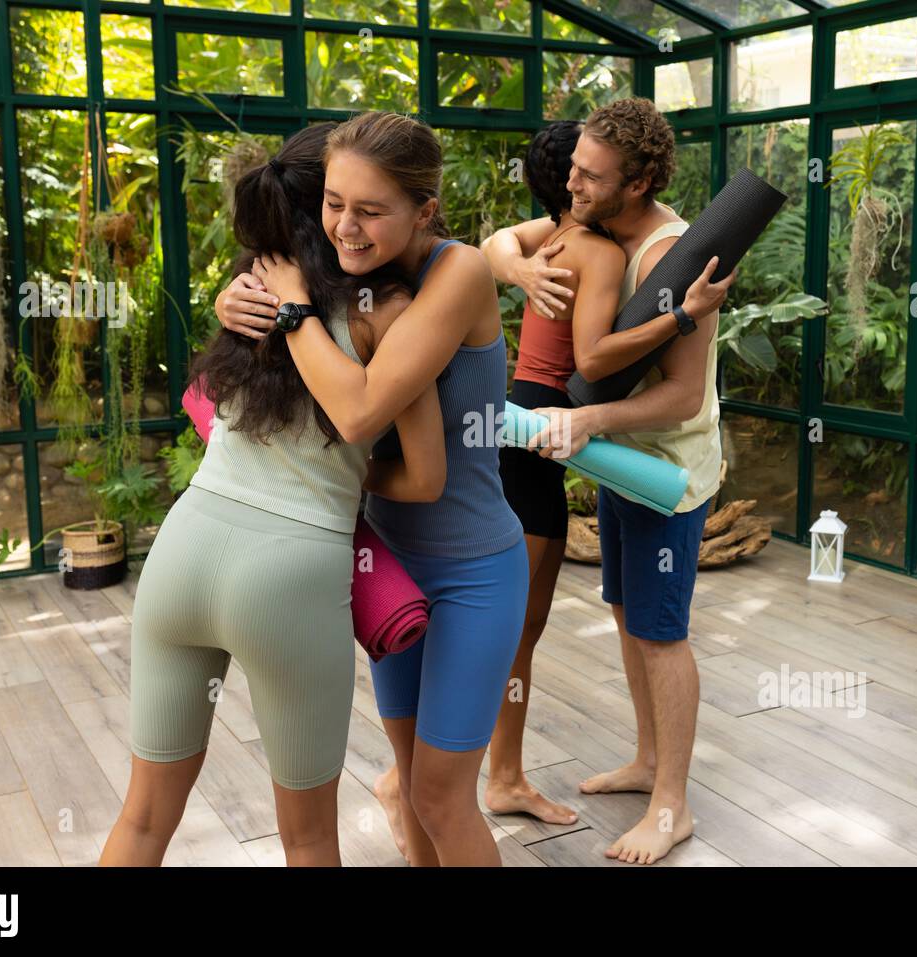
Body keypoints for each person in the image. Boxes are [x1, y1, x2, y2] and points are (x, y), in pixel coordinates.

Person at [100, 124, 445, 867]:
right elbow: (424, 477)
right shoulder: (385, 315)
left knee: (142, 819)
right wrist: (341, 473)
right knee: (310, 837)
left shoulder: (248, 293)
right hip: (292, 572)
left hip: (183, 548)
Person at [213, 111, 528, 867]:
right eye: (333, 203)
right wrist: (234, 303)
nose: (344, 228)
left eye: (370, 210)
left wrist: (289, 314)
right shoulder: (344, 274)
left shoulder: (459, 273)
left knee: (443, 795)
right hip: (385, 570)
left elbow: (358, 410)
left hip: (474, 569)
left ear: (424, 211)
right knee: (414, 781)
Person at [485, 97, 735, 864]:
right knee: (629, 614)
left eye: (591, 176)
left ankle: (672, 805)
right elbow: (494, 244)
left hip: (665, 470)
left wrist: (589, 422)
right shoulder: (589, 226)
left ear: (641, 180)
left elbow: (683, 395)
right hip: (624, 462)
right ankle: (648, 759)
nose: (573, 185)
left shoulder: (669, 254)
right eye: (574, 169)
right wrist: (522, 268)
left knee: (662, 634)